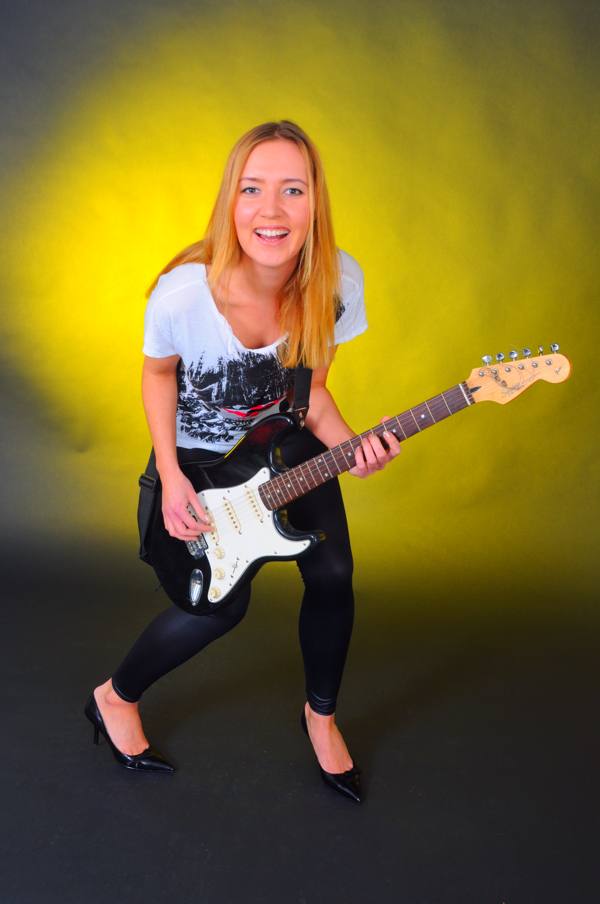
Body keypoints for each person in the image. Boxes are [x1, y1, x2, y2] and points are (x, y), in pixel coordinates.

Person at [85, 121, 401, 802]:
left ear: (315, 201)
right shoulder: (183, 294)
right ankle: (115, 696)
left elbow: (312, 394)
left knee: (335, 575)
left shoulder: (339, 281)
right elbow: (157, 375)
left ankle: (321, 719)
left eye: (293, 189)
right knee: (216, 608)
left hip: (284, 446)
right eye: (252, 189)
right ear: (230, 200)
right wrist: (171, 475)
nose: (271, 210)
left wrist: (354, 449)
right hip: (199, 462)